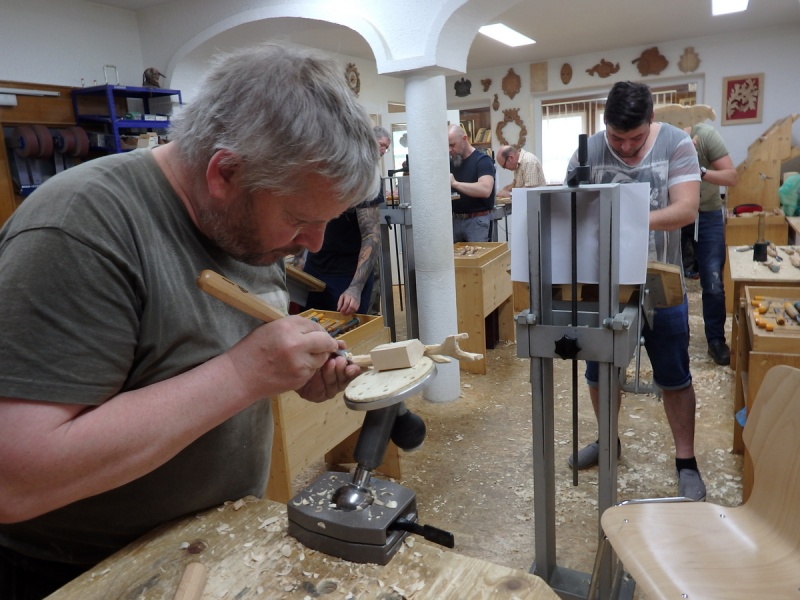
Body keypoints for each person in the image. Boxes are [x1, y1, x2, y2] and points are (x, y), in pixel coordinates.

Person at [0, 44, 379, 599]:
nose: (314, 245)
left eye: (326, 222)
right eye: (301, 219)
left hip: (210, 547)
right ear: (225, 172)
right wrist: (243, 374)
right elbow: (15, 478)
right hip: (82, 574)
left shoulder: (245, 221)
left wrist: (292, 374)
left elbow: (194, 362)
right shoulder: (80, 228)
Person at [565, 81, 706, 501]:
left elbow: (686, 208)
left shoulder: (677, 144)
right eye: (616, 138)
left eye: (635, 139)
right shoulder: (588, 150)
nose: (625, 148)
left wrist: (626, 217)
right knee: (599, 371)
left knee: (674, 376)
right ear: (604, 124)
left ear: (651, 120)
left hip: (661, 280)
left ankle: (686, 460)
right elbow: (568, 206)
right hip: (604, 283)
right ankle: (608, 441)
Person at [297, 126, 389, 315]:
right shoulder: (316, 166)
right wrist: (299, 257)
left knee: (349, 333)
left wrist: (355, 288)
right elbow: (305, 217)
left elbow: (371, 235)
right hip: (314, 270)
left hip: (347, 276)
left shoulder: (366, 175)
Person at [681, 122, 738, 366]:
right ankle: (675, 338)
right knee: (669, 280)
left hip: (707, 214)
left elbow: (731, 177)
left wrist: (700, 171)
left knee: (713, 281)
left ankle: (716, 340)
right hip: (673, 211)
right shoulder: (658, 136)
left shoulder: (705, 135)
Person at [448, 124, 496, 242]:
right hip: (455, 220)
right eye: (447, 146)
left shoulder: (482, 161)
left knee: (478, 254)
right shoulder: (451, 163)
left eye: (452, 145)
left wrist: (455, 183)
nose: (449, 150)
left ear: (464, 139)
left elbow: (485, 190)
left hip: (477, 222)